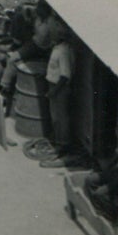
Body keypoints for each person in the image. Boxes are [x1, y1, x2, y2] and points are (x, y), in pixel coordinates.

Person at [43, 31, 76, 165]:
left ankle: (63, 147)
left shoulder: (63, 51)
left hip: (60, 88)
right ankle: (58, 143)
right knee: (56, 117)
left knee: (61, 118)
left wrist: (54, 92)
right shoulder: (58, 48)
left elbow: (65, 75)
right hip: (54, 86)